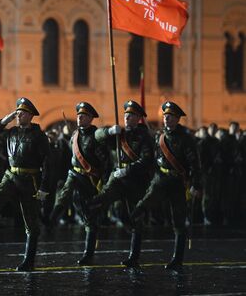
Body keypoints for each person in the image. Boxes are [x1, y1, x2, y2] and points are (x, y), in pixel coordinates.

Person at [130, 101, 201, 271]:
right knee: (141, 208)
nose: (166, 119)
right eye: (165, 117)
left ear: (177, 119)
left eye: (170, 117)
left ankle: (177, 259)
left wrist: (195, 184)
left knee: (178, 222)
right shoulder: (159, 136)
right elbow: (153, 155)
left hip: (177, 183)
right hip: (160, 180)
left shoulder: (186, 139)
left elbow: (194, 164)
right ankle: (133, 254)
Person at [0, 97, 51, 271]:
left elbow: (49, 162)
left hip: (30, 180)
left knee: (30, 221)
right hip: (11, 176)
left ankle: (28, 260)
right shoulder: (11, 132)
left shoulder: (39, 135)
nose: (19, 115)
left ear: (30, 115)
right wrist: (5, 120)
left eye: (22, 113)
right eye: (18, 112)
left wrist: (44, 187)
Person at [89, 100, 154, 267]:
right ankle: (88, 212)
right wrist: (109, 131)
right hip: (117, 178)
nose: (127, 117)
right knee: (104, 199)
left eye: (131, 115)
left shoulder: (144, 136)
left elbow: (147, 160)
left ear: (139, 118)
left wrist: (128, 170)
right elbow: (96, 137)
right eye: (126, 115)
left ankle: (134, 256)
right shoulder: (119, 134)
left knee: (134, 217)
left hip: (136, 180)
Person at [49, 102, 110, 265]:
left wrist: (103, 183)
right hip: (74, 173)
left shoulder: (95, 136)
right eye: (78, 115)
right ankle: (52, 217)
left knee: (89, 216)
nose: (79, 118)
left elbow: (105, 162)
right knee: (65, 192)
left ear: (90, 118)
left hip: (89, 179)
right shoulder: (75, 135)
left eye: (83, 116)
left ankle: (88, 253)